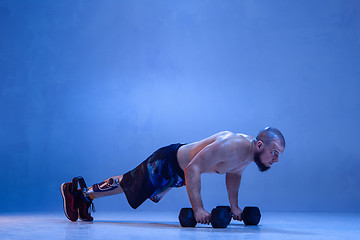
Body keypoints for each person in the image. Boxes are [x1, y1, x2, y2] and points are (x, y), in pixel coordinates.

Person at [60, 127, 285, 224]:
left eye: (279, 155)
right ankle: (78, 193)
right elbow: (193, 169)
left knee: (128, 183)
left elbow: (234, 175)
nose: (276, 159)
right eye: (274, 153)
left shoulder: (247, 156)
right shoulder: (232, 145)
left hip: (178, 173)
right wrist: (198, 208)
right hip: (168, 161)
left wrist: (234, 207)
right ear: (259, 145)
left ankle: (85, 196)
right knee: (128, 183)